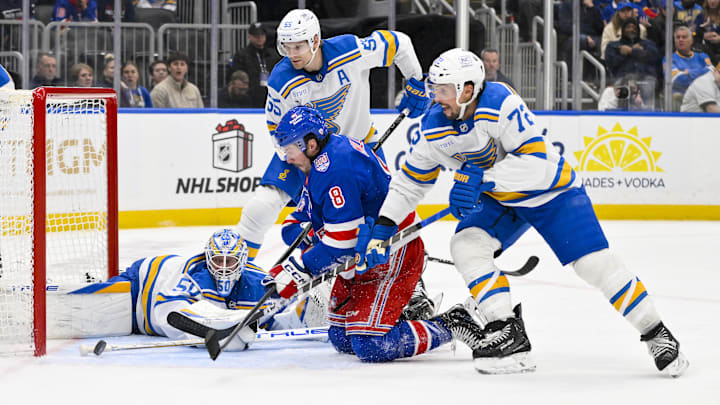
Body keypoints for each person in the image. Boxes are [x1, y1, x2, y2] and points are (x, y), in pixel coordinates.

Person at [359, 48, 689, 376]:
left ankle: (657, 332)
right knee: (466, 245)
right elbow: (408, 184)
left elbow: (538, 166)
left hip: (551, 193)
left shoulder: (500, 103)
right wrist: (383, 229)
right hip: (502, 200)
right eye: (434, 89)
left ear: (467, 89)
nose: (436, 97)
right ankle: (507, 331)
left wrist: (482, 178)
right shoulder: (434, 126)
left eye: (443, 91)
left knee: (594, 265)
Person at [267, 106, 485, 363]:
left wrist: (301, 266)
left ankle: (454, 322)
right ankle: (398, 315)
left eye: (289, 150)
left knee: (370, 344)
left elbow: (342, 243)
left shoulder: (334, 169)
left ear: (310, 144)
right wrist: (301, 238)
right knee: (342, 337)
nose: (286, 158)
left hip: (391, 251)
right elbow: (306, 215)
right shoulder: (324, 157)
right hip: (363, 255)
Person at [235, 8, 428, 263]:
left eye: (298, 47)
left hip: (359, 146)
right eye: (287, 47)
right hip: (307, 153)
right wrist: (308, 174)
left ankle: (413, 284)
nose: (292, 54)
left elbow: (399, 43)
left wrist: (415, 81)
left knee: (389, 215)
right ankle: (234, 271)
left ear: (315, 41)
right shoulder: (281, 79)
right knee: (260, 208)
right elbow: (276, 130)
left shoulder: (350, 50)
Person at [106, 228, 327, 348]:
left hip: (141, 318)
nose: (222, 268)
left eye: (229, 262)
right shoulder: (196, 275)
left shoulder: (257, 284)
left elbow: (273, 321)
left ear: (241, 262)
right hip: (141, 283)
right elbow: (167, 311)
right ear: (208, 258)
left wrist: (305, 318)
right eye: (217, 261)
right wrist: (219, 326)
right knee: (93, 304)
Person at [230, 22, 281, 107]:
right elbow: (238, 76)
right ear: (249, 36)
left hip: (271, 95)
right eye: (256, 35)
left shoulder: (273, 55)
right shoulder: (242, 55)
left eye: (262, 35)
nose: (259, 38)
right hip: (249, 97)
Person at [664, 25, 713, 107]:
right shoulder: (668, 59)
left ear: (691, 41)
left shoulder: (703, 56)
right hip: (681, 98)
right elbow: (677, 79)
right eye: (678, 37)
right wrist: (702, 72)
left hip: (704, 95)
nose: (680, 40)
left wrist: (689, 72)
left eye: (684, 37)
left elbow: (712, 73)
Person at [695, 0, 720, 66]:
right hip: (706, 48)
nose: (712, 1)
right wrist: (704, 35)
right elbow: (694, 34)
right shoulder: (701, 16)